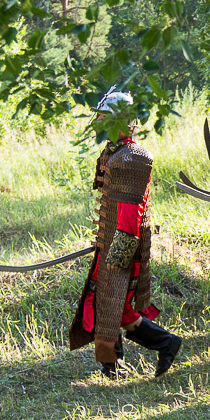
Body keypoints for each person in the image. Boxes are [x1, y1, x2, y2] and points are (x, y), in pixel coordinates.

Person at [69, 90, 182, 378]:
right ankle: (113, 363)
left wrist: (118, 256)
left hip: (123, 243)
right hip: (109, 242)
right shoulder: (114, 153)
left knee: (111, 302)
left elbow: (131, 212)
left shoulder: (133, 158)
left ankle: (164, 343)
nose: (99, 123)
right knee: (105, 301)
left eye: (104, 118)